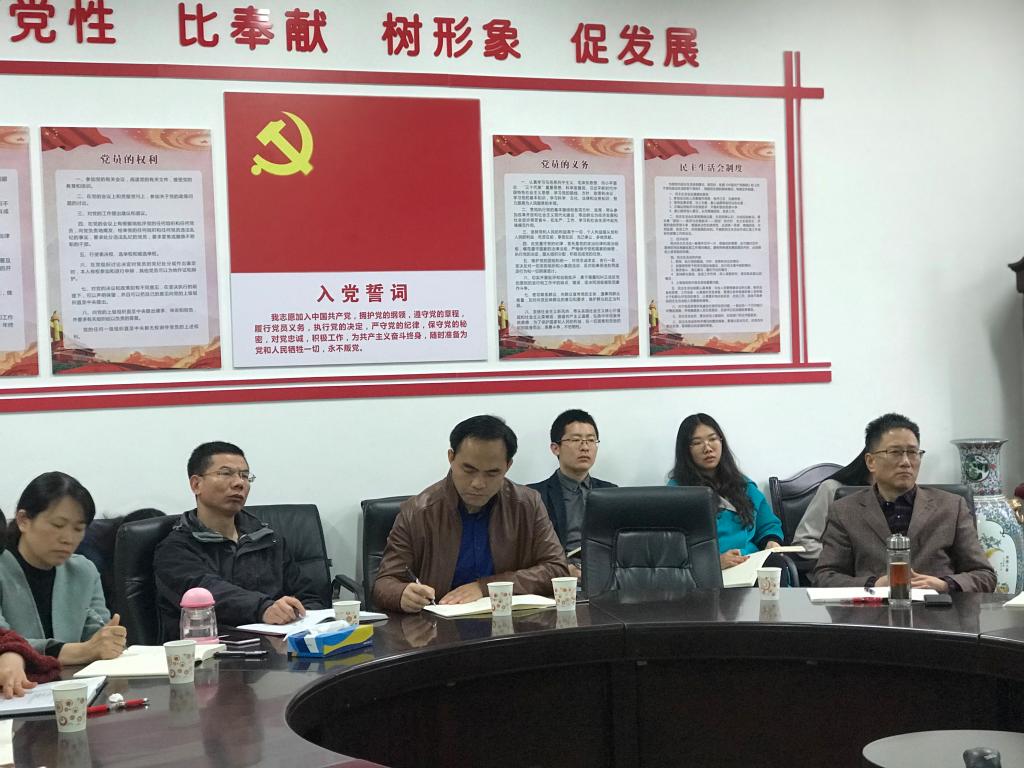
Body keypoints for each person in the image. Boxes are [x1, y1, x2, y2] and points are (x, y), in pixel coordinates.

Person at [373, 415, 569, 613]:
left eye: (492, 473)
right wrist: (401, 593)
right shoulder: (418, 512)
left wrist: (485, 588)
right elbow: (384, 582)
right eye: (469, 470)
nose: (478, 483)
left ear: (508, 466)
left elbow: (557, 569)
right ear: (451, 458)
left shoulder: (527, 504)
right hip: (441, 624)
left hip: (510, 621)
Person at [153, 442, 326, 641]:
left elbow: (309, 596)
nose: (239, 483)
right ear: (196, 484)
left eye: (245, 476)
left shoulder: (267, 538)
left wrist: (303, 617)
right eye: (226, 473)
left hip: (283, 645)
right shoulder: (175, 549)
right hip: (216, 649)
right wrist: (264, 608)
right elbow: (207, 593)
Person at [813, 413, 995, 592]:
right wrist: (873, 585)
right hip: (872, 609)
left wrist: (943, 584)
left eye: (913, 453)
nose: (906, 462)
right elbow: (825, 578)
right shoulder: (845, 511)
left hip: (938, 608)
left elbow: (984, 575)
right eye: (895, 453)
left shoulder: (952, 507)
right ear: (871, 461)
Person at [0, 472, 126, 664]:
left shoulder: (84, 571)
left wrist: (109, 642)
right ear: (23, 520)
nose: (68, 538)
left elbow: (96, 638)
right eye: (58, 525)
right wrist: (80, 651)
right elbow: (3, 643)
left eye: (78, 529)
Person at [669, 414, 783, 570]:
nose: (708, 448)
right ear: (685, 450)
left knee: (779, 566)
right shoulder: (677, 493)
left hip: (751, 563)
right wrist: (714, 562)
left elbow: (768, 525)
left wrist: (771, 541)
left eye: (713, 439)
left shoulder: (743, 485)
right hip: (709, 572)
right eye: (697, 443)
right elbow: (673, 547)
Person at [527, 409, 616, 577]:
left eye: (591, 440)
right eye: (576, 440)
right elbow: (528, 551)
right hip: (557, 578)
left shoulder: (611, 493)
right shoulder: (534, 496)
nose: (585, 447)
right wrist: (562, 570)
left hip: (605, 575)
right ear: (555, 448)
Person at [791, 453, 872, 559]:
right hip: (836, 566)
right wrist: (842, 556)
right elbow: (804, 542)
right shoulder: (831, 488)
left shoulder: (891, 495)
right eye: (892, 452)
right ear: (870, 461)